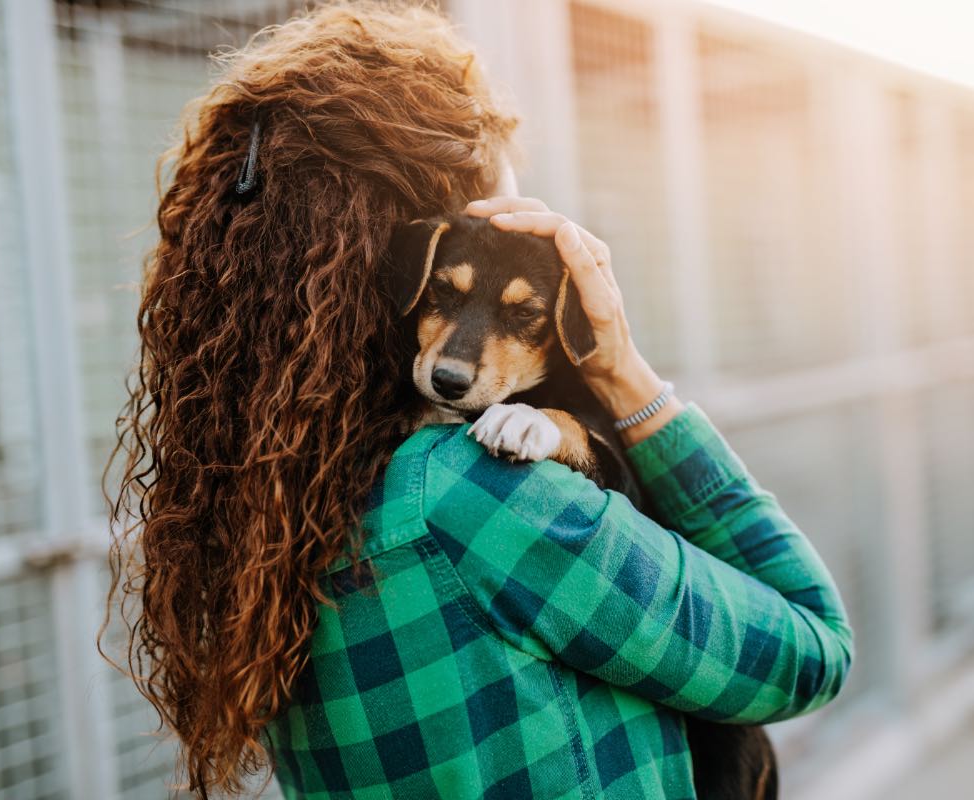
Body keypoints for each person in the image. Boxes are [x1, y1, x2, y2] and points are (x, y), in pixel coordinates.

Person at [103, 2, 853, 798]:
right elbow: (813, 650)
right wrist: (625, 375)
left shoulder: (266, 500)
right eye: (509, 200)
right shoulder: (481, 499)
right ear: (398, 257)